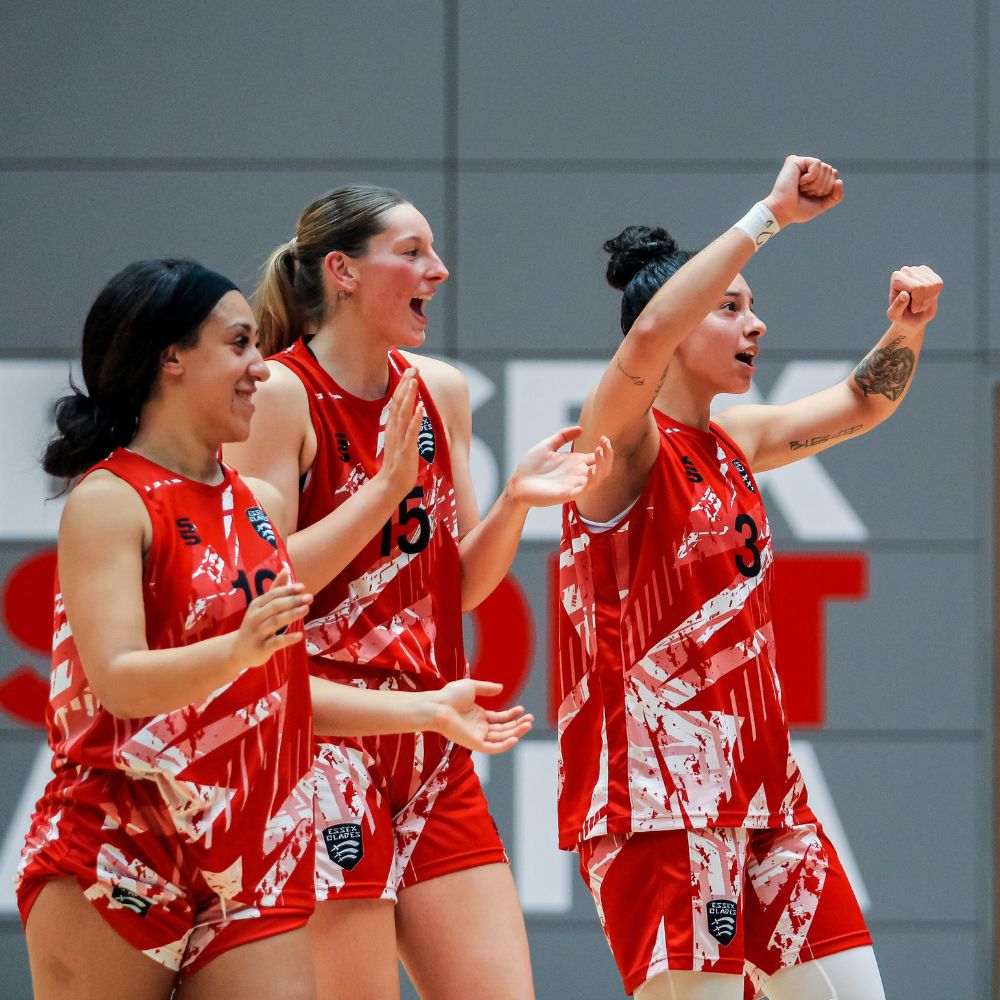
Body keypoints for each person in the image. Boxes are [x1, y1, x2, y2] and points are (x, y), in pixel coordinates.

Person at [17, 258, 532, 1000]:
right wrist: (238, 649)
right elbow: (120, 681)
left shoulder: (255, 502)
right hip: (120, 845)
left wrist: (424, 710)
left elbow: (280, 690)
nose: (261, 366)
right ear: (171, 359)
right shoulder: (109, 499)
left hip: (249, 852)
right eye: (238, 345)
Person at [555, 156, 942, 1000]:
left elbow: (861, 403)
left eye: (753, 307)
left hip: (770, 801)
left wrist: (907, 326)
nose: (756, 325)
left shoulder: (736, 441)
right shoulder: (619, 448)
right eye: (730, 308)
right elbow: (650, 335)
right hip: (658, 807)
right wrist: (768, 216)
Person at [224, 184, 610, 1000]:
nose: (438, 268)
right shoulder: (281, 394)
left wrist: (514, 502)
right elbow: (265, 586)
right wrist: (385, 486)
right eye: (411, 252)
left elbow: (460, 586)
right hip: (321, 741)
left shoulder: (441, 389)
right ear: (343, 271)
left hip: (433, 743)